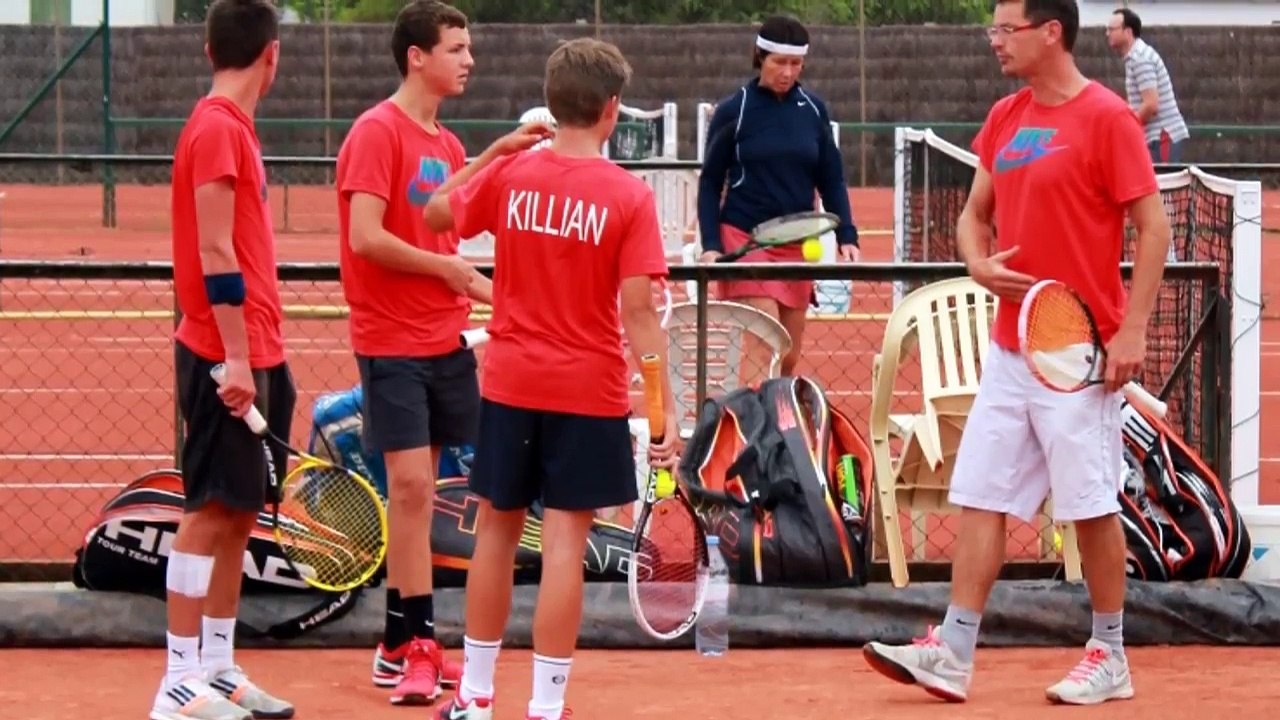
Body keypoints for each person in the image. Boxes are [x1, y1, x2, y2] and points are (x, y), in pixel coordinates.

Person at [862, 0, 1171, 707]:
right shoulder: (1005, 117)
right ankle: (954, 650)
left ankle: (1110, 653)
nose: (994, 41)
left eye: (1006, 28)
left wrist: (1133, 330)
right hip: (1009, 348)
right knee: (980, 496)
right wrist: (975, 263)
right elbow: (974, 214)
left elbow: (1151, 229)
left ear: (1051, 31)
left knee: (1089, 507)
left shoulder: (1107, 119)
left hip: (1077, 359)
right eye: (993, 29)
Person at [422, 37, 678, 720]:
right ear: (612, 111)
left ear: (553, 102)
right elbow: (639, 316)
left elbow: (435, 213)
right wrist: (662, 412)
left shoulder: (513, 176)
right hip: (586, 389)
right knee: (565, 543)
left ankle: (475, 698)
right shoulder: (628, 196)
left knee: (496, 536)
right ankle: (545, 705)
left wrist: (499, 152)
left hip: (508, 382)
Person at [334, 0, 552, 707]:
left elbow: (442, 229)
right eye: (456, 48)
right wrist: (449, 273)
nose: (469, 59)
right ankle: (417, 643)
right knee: (411, 490)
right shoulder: (376, 133)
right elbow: (367, 237)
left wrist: (494, 156)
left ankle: (399, 643)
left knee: (423, 498)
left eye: (469, 47)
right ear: (416, 56)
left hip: (444, 338)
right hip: (391, 338)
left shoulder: (449, 145)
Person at [155, 2, 296, 719]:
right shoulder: (215, 128)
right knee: (208, 513)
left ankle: (217, 668)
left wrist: (261, 353)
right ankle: (178, 682)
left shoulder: (233, 127)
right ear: (271, 56)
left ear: (211, 47)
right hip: (223, 353)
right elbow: (215, 250)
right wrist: (237, 358)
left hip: (256, 349)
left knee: (239, 513)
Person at [696, 14, 860, 379]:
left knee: (787, 355)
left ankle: (774, 426)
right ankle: (751, 433)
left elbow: (831, 176)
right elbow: (710, 183)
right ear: (760, 58)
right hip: (745, 239)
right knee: (765, 341)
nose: (788, 72)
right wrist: (710, 243)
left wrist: (846, 232)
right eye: (779, 63)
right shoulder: (732, 111)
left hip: (796, 242)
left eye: (796, 64)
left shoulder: (814, 110)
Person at [1106, 8, 1190, 164]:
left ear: (1128, 32)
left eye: (1111, 29)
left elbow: (1151, 104)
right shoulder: (1137, 56)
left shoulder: (1140, 58)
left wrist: (1127, 128)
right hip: (1159, 136)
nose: (1107, 33)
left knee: (1163, 185)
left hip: (1162, 136)